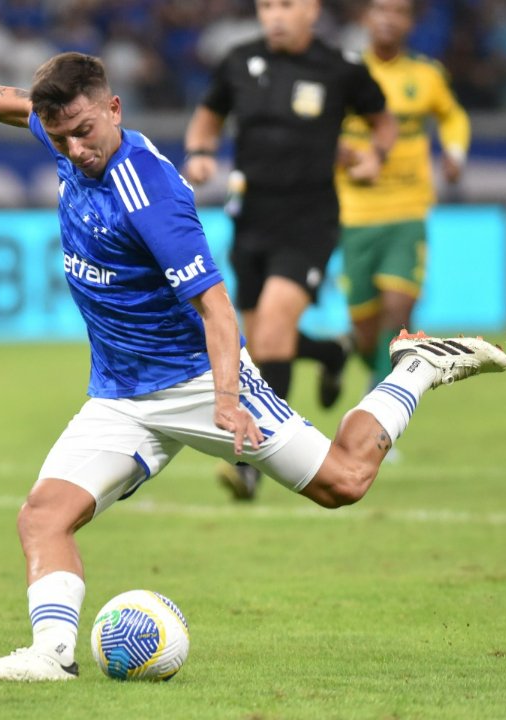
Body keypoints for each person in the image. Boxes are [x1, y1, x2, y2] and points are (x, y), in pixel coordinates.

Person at [0, 51, 506, 682]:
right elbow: (17, 104)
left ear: (114, 109)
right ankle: (51, 656)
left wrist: (229, 399)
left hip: (198, 381)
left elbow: (216, 308)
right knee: (42, 515)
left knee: (342, 483)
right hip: (120, 396)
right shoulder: (68, 129)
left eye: (83, 132)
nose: (73, 149)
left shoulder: (148, 194)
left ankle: (415, 368)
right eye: (61, 135)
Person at [183, 0, 399, 501]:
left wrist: (374, 157)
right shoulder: (239, 61)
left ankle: (254, 462)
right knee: (257, 346)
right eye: (266, 6)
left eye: (286, 5)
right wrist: (199, 152)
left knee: (275, 328)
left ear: (311, 10)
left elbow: (382, 122)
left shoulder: (340, 67)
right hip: (252, 219)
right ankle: (328, 350)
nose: (274, 15)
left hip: (310, 222)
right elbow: (208, 115)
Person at [336, 0, 472, 402]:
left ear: (410, 22)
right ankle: (364, 361)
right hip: (356, 215)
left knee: (398, 313)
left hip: (407, 212)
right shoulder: (346, 75)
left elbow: (453, 116)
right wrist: (343, 153)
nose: (388, 19)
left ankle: (380, 406)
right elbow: (320, 129)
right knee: (366, 332)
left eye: (398, 11)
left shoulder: (426, 75)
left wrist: (454, 151)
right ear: (365, 17)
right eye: (379, 9)